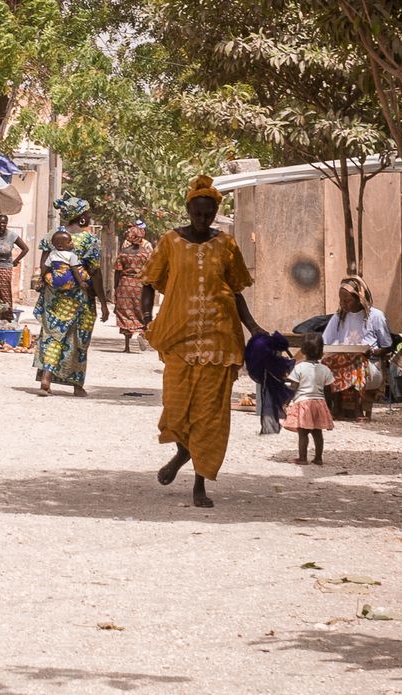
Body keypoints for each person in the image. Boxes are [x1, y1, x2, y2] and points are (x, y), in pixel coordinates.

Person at [140, 176, 265, 508]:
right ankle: (182, 452)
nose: (202, 219)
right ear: (188, 210)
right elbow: (149, 281)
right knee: (177, 408)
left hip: (219, 340)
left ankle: (200, 483)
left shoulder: (227, 245)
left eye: (208, 214)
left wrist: (252, 326)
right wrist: (145, 319)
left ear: (214, 213)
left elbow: (235, 290)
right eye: (197, 213)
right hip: (179, 339)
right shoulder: (169, 241)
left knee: (210, 415)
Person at [34, 193, 110, 396]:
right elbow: (95, 272)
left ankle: (46, 377)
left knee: (52, 335)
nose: (89, 217)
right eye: (88, 214)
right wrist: (103, 302)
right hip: (80, 296)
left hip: (53, 295)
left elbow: (43, 263)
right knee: (79, 337)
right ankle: (76, 385)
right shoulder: (89, 240)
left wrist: (44, 283)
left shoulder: (52, 235)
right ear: (82, 217)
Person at [321, 275, 392, 418]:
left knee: (356, 360)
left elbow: (388, 347)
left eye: (347, 301)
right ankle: (336, 408)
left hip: (370, 367)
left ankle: (357, 409)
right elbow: (325, 342)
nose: (343, 304)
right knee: (327, 362)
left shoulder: (376, 316)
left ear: (359, 298)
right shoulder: (339, 317)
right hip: (342, 364)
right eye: (341, 300)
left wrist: (371, 351)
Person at [282, 333, 335, 465]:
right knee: (317, 432)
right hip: (319, 403)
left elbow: (293, 387)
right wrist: (329, 406)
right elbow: (329, 390)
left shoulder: (299, 368)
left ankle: (302, 458)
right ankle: (318, 458)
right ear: (322, 352)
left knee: (303, 432)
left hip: (303, 403)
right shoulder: (325, 369)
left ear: (303, 351)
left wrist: (285, 402)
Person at [114, 224, 153, 352]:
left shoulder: (123, 253)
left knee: (125, 313)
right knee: (139, 311)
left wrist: (116, 287)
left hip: (125, 284)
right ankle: (141, 333)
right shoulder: (146, 253)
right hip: (140, 285)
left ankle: (126, 346)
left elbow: (118, 271)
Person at [0, 214, 29, 321]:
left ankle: (7, 317)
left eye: (4, 223)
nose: (1, 225)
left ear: (6, 224)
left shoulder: (12, 236)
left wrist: (16, 261)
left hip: (5, 267)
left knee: (4, 293)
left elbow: (25, 249)